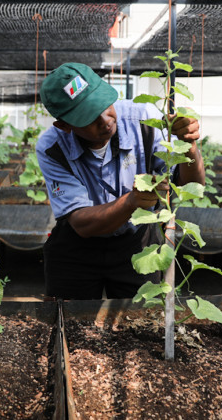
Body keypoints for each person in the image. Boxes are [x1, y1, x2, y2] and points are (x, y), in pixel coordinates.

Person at [36, 62, 205, 300]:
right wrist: (131, 201)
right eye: (89, 116)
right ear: (64, 126)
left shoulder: (145, 119)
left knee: (141, 318)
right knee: (70, 316)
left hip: (138, 240)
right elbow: (82, 223)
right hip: (76, 247)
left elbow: (191, 186)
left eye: (104, 104)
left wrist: (189, 145)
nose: (105, 119)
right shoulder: (52, 148)